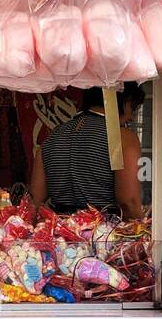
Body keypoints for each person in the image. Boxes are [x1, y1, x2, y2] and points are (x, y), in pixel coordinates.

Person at [30, 83, 145, 219]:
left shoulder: (53, 137)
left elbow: (35, 201)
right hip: (104, 234)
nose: (131, 116)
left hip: (60, 233)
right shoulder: (121, 137)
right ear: (125, 101)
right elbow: (129, 202)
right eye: (133, 107)